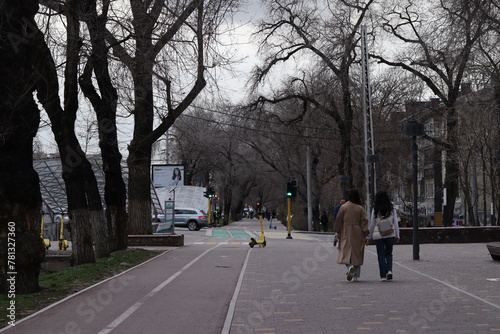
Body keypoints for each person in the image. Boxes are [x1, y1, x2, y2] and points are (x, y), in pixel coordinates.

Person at [333, 189, 369, 282]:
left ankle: (349, 267)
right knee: (357, 252)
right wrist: (366, 235)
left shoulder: (344, 207)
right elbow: (364, 221)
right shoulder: (360, 208)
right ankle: (356, 275)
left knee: (345, 251)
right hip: (358, 231)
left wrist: (337, 231)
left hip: (346, 230)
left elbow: (339, 219)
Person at [369, 190, 400, 281]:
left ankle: (383, 276)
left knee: (381, 255)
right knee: (389, 253)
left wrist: (369, 236)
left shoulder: (375, 209)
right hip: (390, 234)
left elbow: (372, 224)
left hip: (378, 235)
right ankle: (389, 271)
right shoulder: (391, 208)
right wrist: (397, 235)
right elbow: (396, 222)